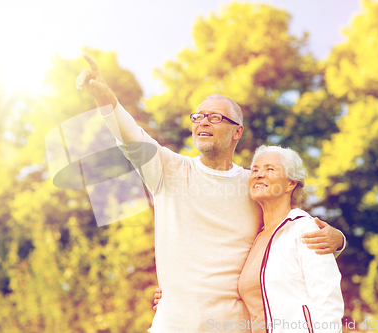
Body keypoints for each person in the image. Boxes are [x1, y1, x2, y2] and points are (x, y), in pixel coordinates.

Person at [76, 54, 345, 333]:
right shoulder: (170, 170)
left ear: (236, 131)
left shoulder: (253, 185)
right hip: (173, 325)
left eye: (215, 117)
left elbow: (285, 234)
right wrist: (107, 102)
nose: (203, 122)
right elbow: (131, 139)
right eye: (199, 117)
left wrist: (337, 240)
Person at [240, 145, 343, 332]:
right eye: (254, 170)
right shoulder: (255, 238)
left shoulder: (304, 229)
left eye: (269, 169)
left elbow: (327, 299)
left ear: (290, 183)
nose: (259, 174)